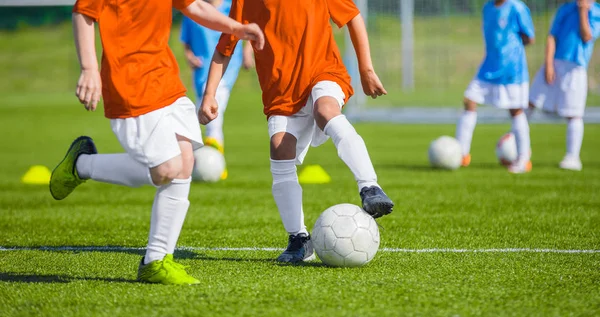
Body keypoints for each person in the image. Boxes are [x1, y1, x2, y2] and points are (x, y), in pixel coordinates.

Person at [49, 0, 263, 285]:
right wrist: (89, 68)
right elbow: (83, 13)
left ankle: (157, 260)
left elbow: (194, 6)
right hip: (128, 84)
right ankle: (82, 164)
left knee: (185, 162)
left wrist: (237, 27)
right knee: (167, 168)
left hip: (166, 81)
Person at [199, 0, 394, 264]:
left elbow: (353, 17)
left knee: (325, 110)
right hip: (280, 90)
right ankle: (299, 238)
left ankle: (369, 187)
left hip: (322, 71)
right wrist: (210, 94)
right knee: (280, 147)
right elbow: (225, 48)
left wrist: (366, 69)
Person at [455, 0, 535, 174]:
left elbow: (529, 37)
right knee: (469, 100)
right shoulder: (488, 7)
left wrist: (510, 49)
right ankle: (462, 154)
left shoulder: (517, 7)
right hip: (488, 67)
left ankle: (523, 160)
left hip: (511, 69)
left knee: (515, 110)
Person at [181, 1, 255, 180]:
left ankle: (214, 165)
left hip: (225, 69)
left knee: (214, 115)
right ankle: (206, 163)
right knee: (203, 117)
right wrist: (189, 57)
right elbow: (187, 42)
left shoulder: (233, 7)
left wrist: (247, 52)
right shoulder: (193, 8)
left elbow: (247, 29)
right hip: (200, 71)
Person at [528, 0, 600, 171]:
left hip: (575, 67)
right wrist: (549, 64)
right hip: (554, 64)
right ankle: (519, 146)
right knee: (528, 103)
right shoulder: (565, 9)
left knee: (574, 114)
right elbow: (552, 36)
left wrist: (583, 11)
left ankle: (572, 157)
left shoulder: (596, 12)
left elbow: (587, 36)